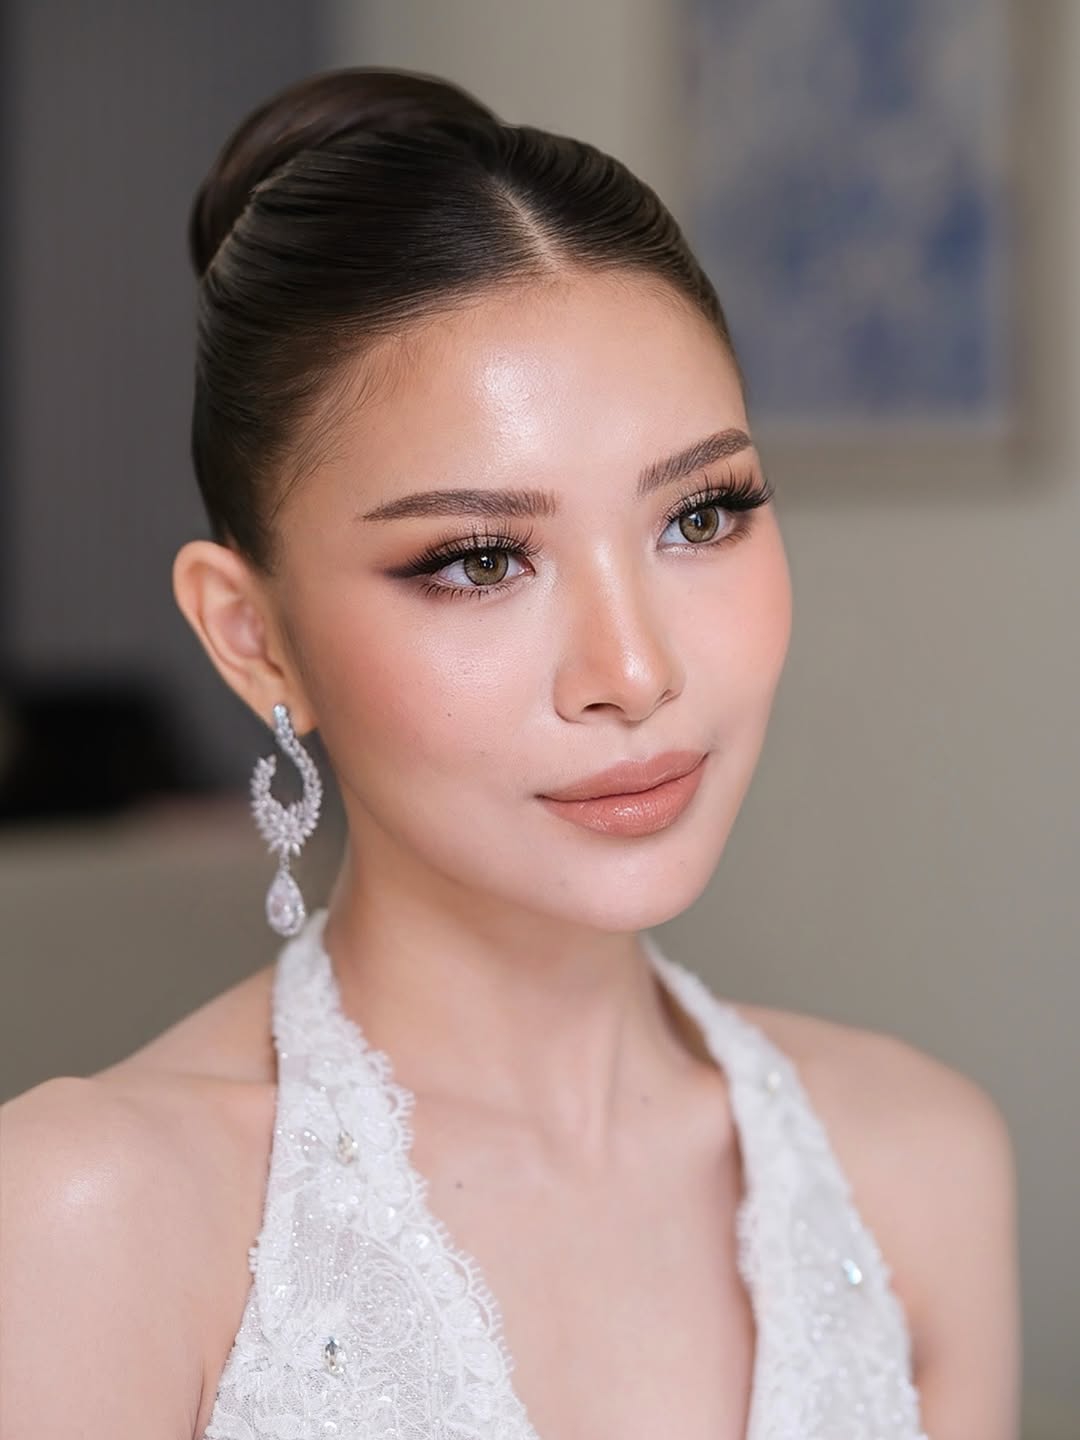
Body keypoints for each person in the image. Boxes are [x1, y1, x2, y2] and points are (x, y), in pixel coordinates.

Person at [0, 67, 1020, 1439]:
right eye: (481, 559)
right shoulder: (89, 1220)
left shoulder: (922, 1167)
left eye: (701, 516)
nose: (635, 671)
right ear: (254, 639)